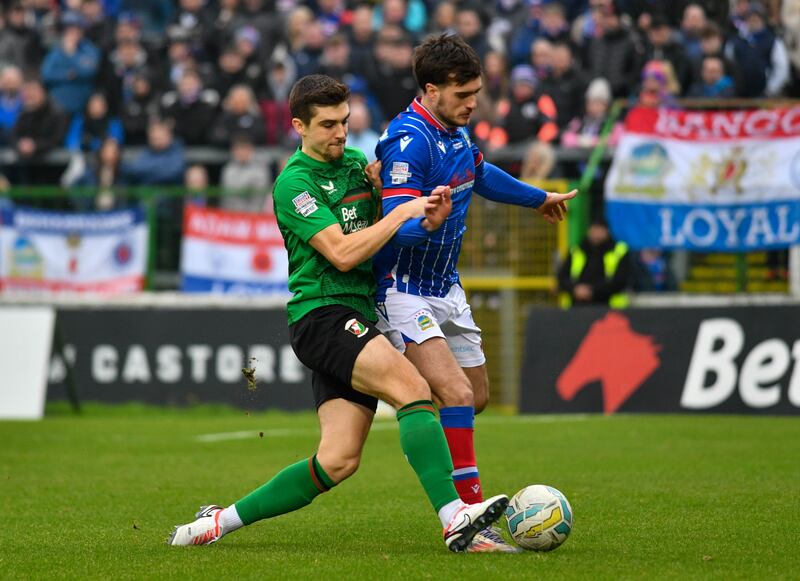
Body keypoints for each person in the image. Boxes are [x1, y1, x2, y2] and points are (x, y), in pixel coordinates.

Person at [168, 74, 509, 552]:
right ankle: (456, 518)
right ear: (298, 127)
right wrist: (397, 216)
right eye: (328, 124)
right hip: (323, 315)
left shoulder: (354, 165)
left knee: (338, 460)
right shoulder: (294, 185)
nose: (341, 133)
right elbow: (345, 254)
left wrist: (426, 221)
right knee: (413, 390)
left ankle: (217, 522)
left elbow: (389, 234)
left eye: (345, 121)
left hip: (359, 318)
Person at [373, 34, 576, 552]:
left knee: (474, 396)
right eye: (463, 94)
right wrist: (427, 221)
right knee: (456, 395)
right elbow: (396, 226)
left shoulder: (456, 131)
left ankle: (424, 440)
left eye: (477, 92)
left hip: (446, 285)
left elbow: (480, 174)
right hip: (404, 289)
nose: (473, 103)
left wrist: (538, 199)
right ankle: (469, 522)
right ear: (431, 89)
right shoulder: (408, 141)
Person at [557, 219, 631, 307]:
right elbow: (562, 277)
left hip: (608, 307)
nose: (597, 234)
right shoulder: (576, 250)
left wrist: (592, 291)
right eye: (595, 230)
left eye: (600, 230)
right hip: (576, 307)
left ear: (607, 232)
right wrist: (575, 289)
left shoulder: (619, 251)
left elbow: (620, 281)